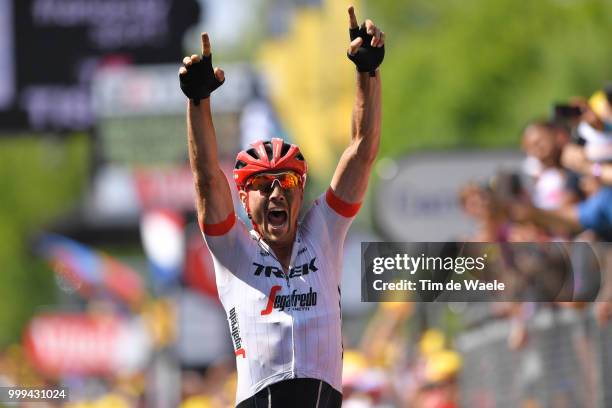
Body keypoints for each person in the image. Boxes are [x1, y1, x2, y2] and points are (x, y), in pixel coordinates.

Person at [178, 6, 384, 407]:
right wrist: (198, 101)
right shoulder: (233, 248)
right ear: (243, 198)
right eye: (261, 185)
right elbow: (206, 179)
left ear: (302, 190)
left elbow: (361, 151)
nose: (275, 194)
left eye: (286, 182)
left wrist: (367, 74)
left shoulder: (323, 232)